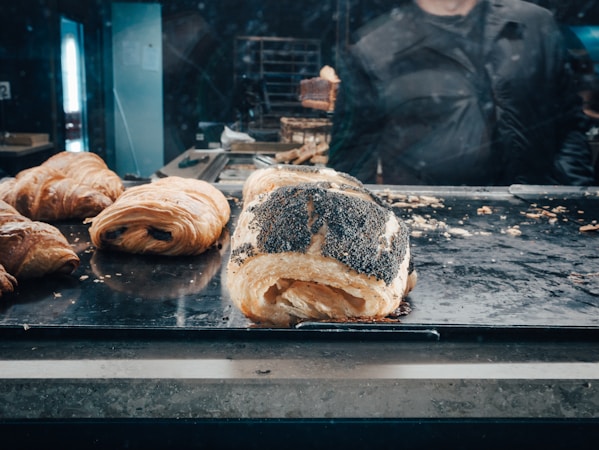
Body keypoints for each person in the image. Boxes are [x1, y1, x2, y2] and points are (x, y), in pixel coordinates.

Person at [327, 0, 596, 186]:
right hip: (432, 233)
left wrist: (571, 212)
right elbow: (351, 170)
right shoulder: (374, 51)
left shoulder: (534, 25)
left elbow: (568, 128)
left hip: (536, 229)